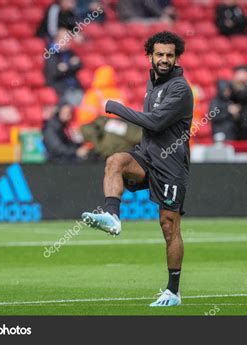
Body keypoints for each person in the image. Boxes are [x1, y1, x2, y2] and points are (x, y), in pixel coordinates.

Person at [81, 31, 193, 307]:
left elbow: (154, 122)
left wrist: (115, 108)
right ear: (151, 55)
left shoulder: (180, 89)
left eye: (169, 55)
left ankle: (173, 291)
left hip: (171, 166)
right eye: (159, 54)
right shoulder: (152, 82)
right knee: (115, 161)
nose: (164, 59)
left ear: (176, 57)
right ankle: (112, 216)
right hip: (147, 157)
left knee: (169, 227)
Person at [75, 65, 142, 159]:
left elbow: (86, 120)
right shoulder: (119, 93)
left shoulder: (93, 94)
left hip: (106, 133)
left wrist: (89, 145)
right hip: (120, 129)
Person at [44, 27, 84, 105]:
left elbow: (79, 65)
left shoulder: (69, 52)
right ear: (58, 39)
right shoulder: (51, 53)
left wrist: (66, 66)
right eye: (66, 39)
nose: (69, 41)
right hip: (61, 90)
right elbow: (55, 72)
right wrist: (71, 65)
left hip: (74, 88)